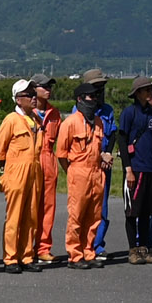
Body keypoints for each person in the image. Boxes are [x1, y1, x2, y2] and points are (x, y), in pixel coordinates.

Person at [0, 79, 57, 270]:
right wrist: (7, 172)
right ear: (18, 99)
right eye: (28, 95)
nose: (33, 98)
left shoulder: (36, 120)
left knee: (31, 216)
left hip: (35, 171)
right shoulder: (11, 120)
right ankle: (11, 258)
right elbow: (0, 150)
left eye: (33, 94)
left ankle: (27, 256)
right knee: (14, 217)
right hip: (16, 172)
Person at [56, 79, 110, 268]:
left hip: (97, 172)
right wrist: (72, 171)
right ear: (80, 99)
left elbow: (98, 147)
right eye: (90, 96)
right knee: (77, 215)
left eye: (96, 96)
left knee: (94, 215)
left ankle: (89, 251)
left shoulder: (99, 122)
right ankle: (75, 255)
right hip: (78, 171)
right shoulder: (70, 123)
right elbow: (61, 154)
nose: (94, 99)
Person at [116, 77, 152, 264]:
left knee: (147, 210)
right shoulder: (129, 113)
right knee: (132, 211)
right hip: (135, 168)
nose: (150, 93)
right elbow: (122, 140)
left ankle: (144, 247)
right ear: (137, 93)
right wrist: (128, 169)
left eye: (151, 90)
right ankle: (133, 249)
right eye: (146, 90)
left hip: (151, 168)